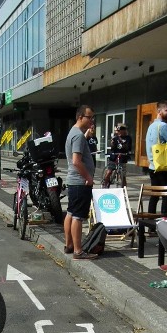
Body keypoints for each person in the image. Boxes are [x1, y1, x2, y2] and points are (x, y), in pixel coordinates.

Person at [63, 105, 98, 260]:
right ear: (80, 117)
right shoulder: (77, 136)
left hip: (74, 181)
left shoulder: (75, 133)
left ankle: (69, 244)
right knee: (78, 216)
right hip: (79, 181)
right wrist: (88, 178)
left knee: (71, 212)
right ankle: (78, 250)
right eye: (89, 117)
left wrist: (87, 137)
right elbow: (77, 161)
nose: (92, 120)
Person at [144, 101, 167, 214]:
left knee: (155, 195)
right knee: (166, 195)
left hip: (153, 165)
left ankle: (150, 221)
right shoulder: (163, 126)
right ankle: (163, 220)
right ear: (159, 111)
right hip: (164, 166)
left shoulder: (151, 126)